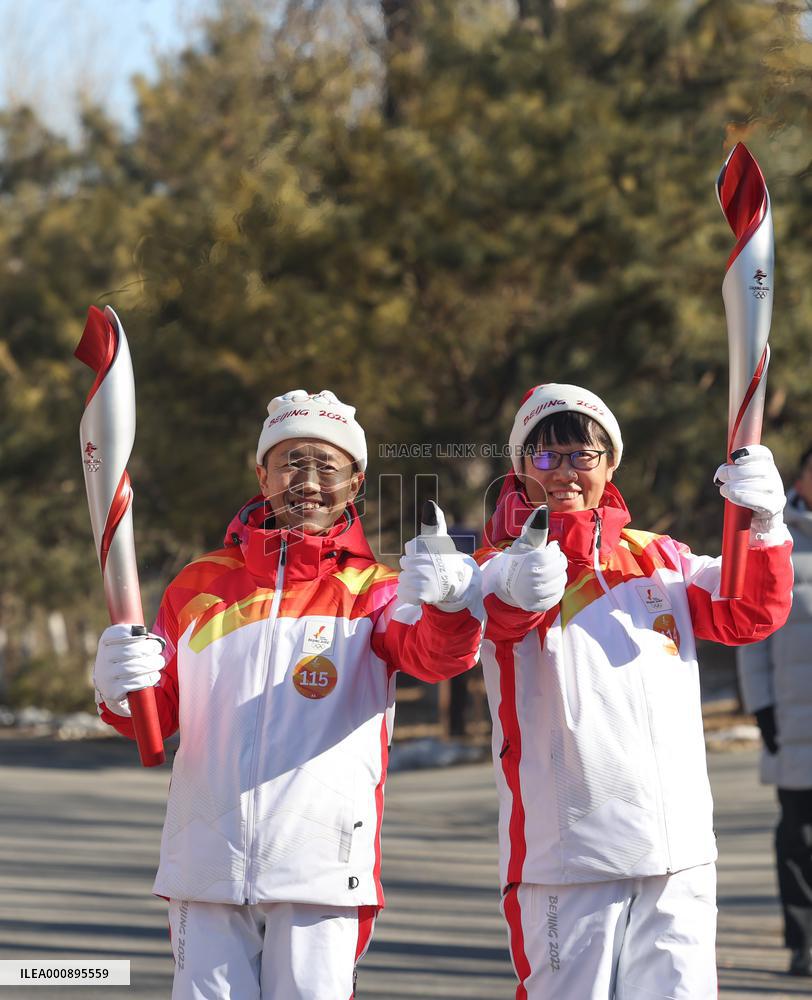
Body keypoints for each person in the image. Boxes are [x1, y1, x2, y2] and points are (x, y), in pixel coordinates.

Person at [92, 389, 484, 1000]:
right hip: (206, 866)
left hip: (322, 869)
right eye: (291, 462)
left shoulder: (375, 591)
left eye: (327, 466)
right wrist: (119, 690)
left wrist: (455, 607)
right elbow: (155, 715)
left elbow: (436, 656)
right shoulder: (199, 585)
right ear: (262, 473)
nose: (308, 481)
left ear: (354, 482)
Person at [474, 382, 793, 1000]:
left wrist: (764, 526)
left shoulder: (662, 558)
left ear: (610, 462)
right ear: (520, 467)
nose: (565, 471)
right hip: (566, 861)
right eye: (546, 456)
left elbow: (749, 612)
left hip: (679, 854)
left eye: (581, 455)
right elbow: (497, 617)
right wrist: (533, 568)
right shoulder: (499, 566)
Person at [737, 443, 812, 976]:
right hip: (795, 719)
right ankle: (803, 941)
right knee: (799, 837)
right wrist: (761, 707)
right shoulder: (778, 540)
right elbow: (754, 632)